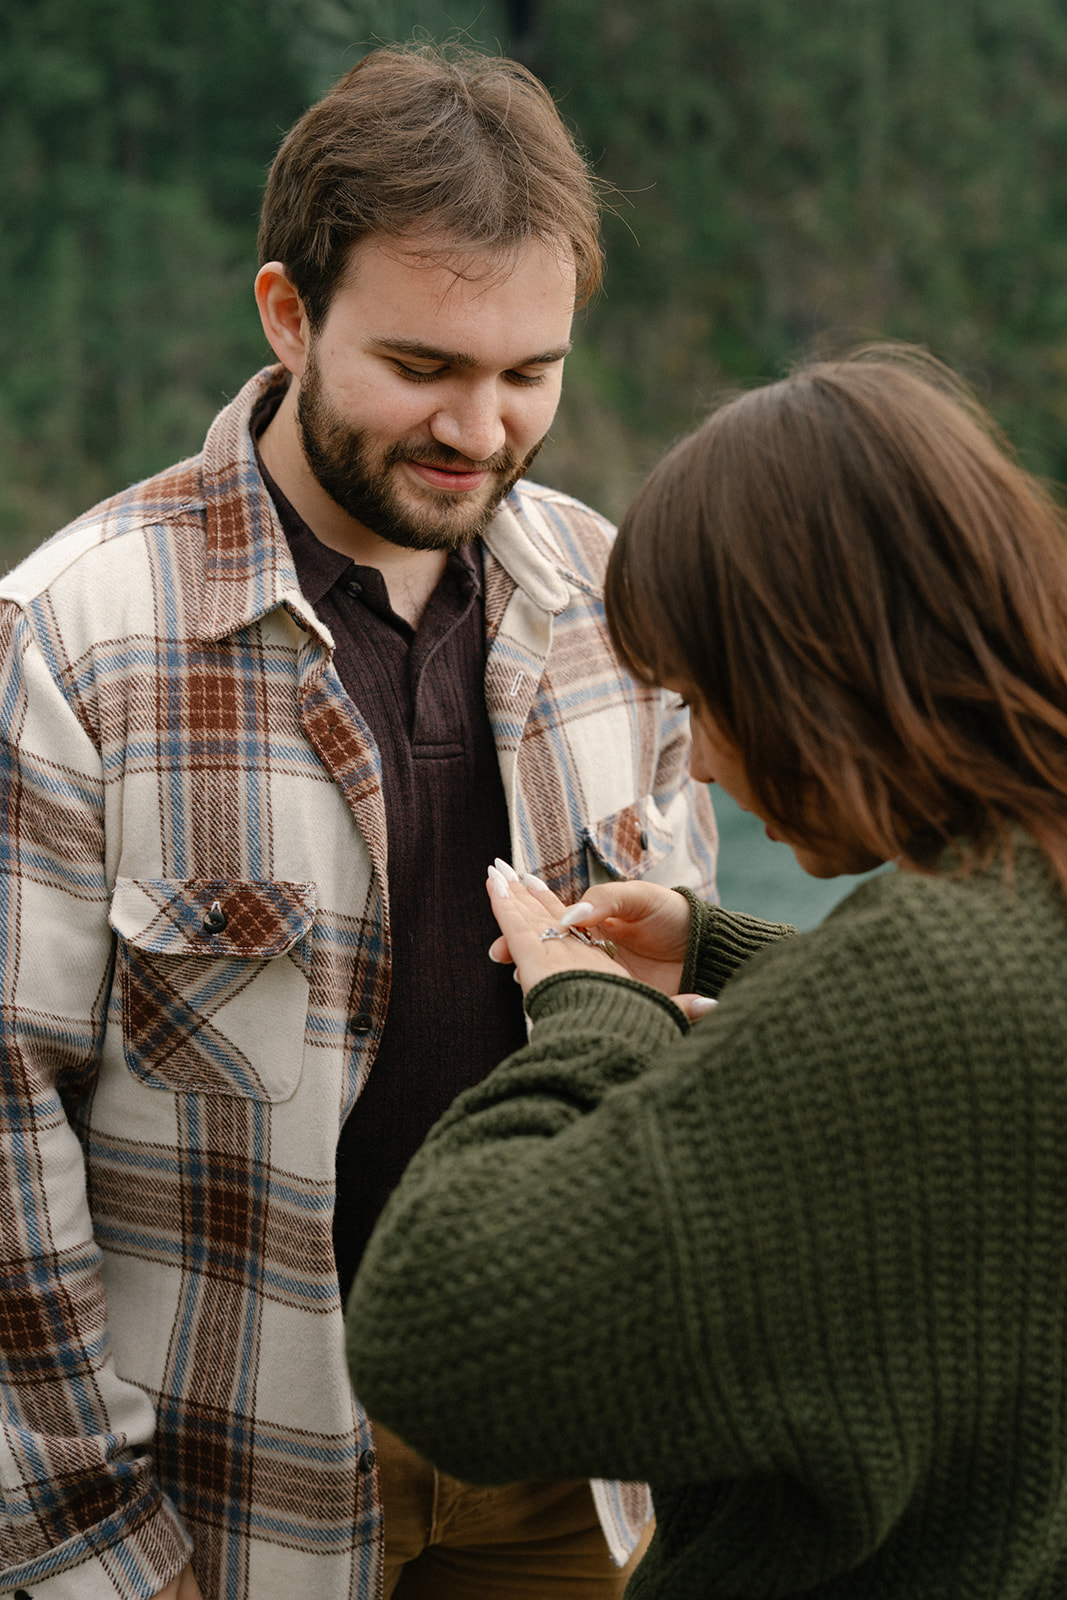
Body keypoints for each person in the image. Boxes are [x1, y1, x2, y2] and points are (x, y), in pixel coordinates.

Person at [0, 43, 717, 1600]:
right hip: (231, 1491)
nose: (480, 427)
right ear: (287, 314)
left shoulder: (619, 605)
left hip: (574, 1467)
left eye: (527, 374)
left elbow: (663, 1060)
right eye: (423, 366)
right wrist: (85, 1542)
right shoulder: (68, 642)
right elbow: (6, 1136)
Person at [347, 346, 1067, 1598]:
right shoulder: (1018, 904)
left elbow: (434, 1337)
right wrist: (723, 946)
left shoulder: (919, 990)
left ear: (810, 676)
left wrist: (588, 1013)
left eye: (699, 699)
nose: (707, 767)